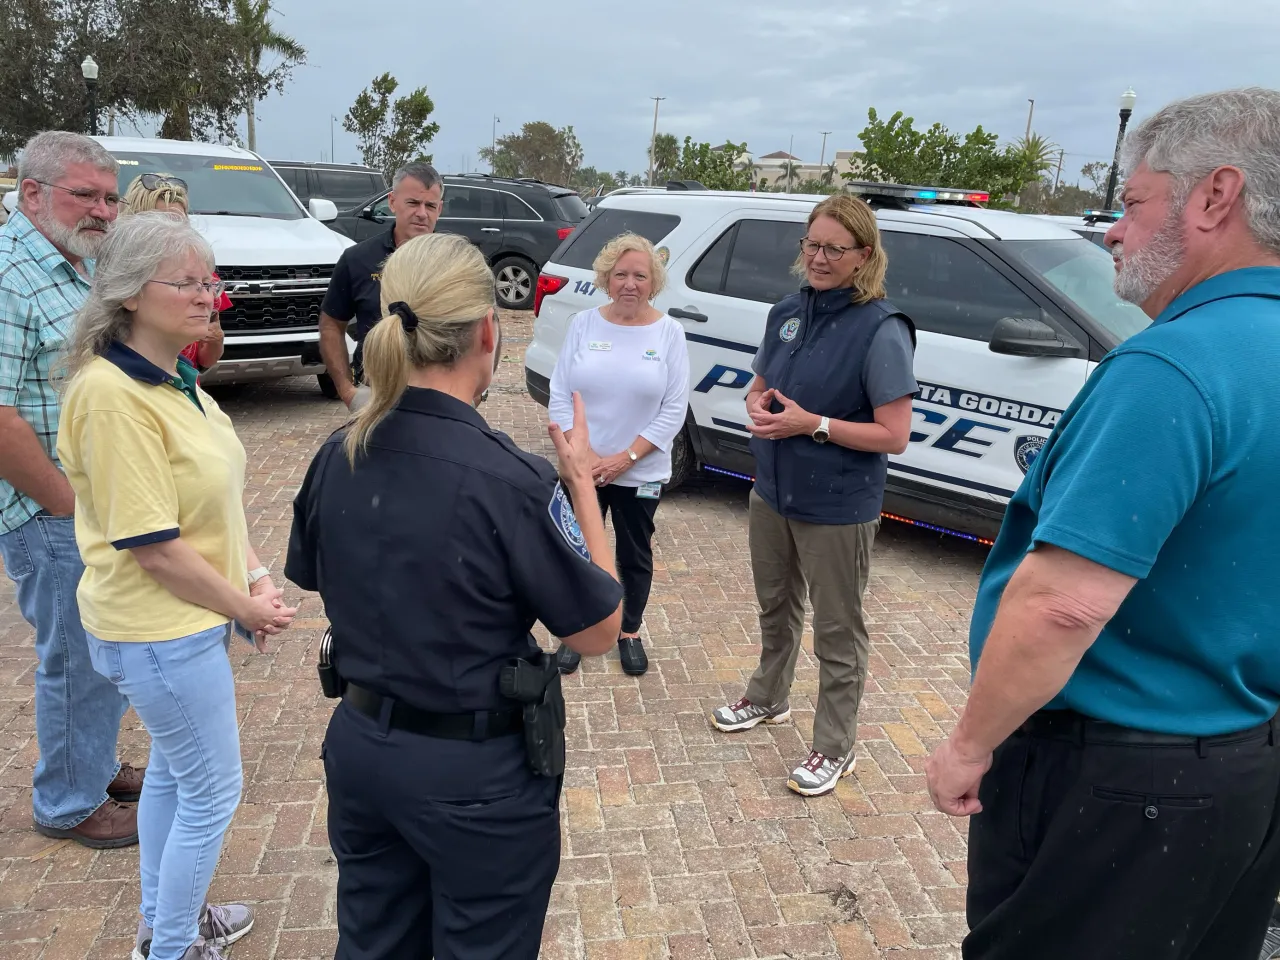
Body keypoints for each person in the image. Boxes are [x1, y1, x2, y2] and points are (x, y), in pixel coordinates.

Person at [925, 87, 1280, 960]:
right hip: (1246, 767)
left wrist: (972, 743)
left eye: (1131, 202)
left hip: (1120, 786)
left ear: (1214, 196)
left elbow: (1062, 605)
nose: (1114, 231)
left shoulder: (1173, 365)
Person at [285, 231, 624, 959]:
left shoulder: (337, 453)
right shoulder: (511, 480)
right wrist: (582, 490)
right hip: (474, 777)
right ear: (486, 331)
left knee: (374, 942)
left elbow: (316, 574)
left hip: (362, 747)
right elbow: (598, 629)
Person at [56, 212, 297, 960]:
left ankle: (165, 924)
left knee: (174, 773)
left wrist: (251, 575)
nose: (206, 295)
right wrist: (242, 606)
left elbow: (210, 508)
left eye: (210, 280)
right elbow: (152, 546)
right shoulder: (110, 396)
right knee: (212, 792)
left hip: (183, 622)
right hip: (158, 628)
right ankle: (173, 947)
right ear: (129, 293)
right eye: (187, 282)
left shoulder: (175, 381)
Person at [710, 194, 917, 797]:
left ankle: (835, 744)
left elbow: (895, 434)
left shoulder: (881, 328)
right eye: (811, 244)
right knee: (776, 605)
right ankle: (769, 697)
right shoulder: (786, 312)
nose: (819, 258)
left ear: (864, 255)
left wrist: (815, 425)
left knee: (838, 629)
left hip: (837, 505)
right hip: (773, 490)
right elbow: (763, 382)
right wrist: (754, 401)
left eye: (834, 248)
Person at [0, 130, 140, 848]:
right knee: (74, 657)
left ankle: (97, 762)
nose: (104, 211)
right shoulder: (8, 274)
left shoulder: (68, 265)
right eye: (86, 194)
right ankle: (67, 802)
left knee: (101, 649)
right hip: (50, 511)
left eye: (110, 197)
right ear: (31, 193)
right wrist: (65, 503)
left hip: (83, 505)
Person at [548, 232, 690, 677]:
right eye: (621, 274)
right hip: (582, 468)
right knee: (577, 552)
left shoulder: (669, 332)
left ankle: (628, 631)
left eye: (640, 276)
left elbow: (674, 409)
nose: (630, 283)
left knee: (634, 555)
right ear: (606, 279)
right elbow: (558, 393)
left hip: (639, 470)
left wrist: (623, 459)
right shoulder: (583, 325)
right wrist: (581, 455)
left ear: (654, 282)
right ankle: (578, 629)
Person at [318, 161, 443, 410]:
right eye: (413, 203)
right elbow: (331, 323)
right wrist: (346, 390)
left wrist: (473, 394)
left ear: (439, 209)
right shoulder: (357, 259)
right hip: (375, 397)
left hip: (439, 396)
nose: (422, 213)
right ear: (392, 202)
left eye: (430, 205)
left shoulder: (452, 262)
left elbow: (481, 327)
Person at [119, 173, 229, 374]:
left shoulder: (206, 282)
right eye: (159, 224)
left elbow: (206, 360)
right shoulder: (114, 278)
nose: (172, 233)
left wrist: (215, 339)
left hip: (184, 387)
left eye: (178, 223)